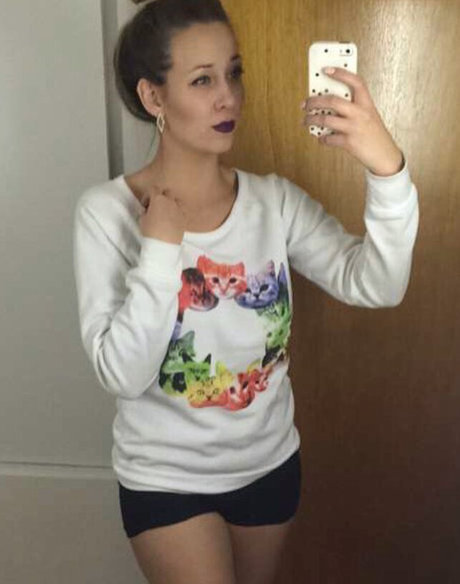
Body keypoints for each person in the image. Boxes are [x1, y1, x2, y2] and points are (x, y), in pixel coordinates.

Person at [72, 0, 419, 582]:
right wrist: (160, 251)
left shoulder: (272, 203)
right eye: (202, 80)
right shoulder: (105, 214)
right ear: (154, 97)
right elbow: (122, 374)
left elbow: (377, 284)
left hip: (268, 466)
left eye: (233, 73)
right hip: (165, 477)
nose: (228, 96)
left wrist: (388, 170)